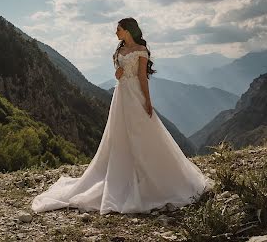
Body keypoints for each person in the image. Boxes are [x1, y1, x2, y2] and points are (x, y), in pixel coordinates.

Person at [31, 17, 213, 215]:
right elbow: (119, 73)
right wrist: (118, 74)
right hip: (120, 95)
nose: (115, 32)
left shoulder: (140, 51)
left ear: (127, 30)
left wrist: (148, 101)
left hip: (135, 94)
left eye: (118, 29)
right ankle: (124, 173)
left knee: (142, 132)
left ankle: (151, 176)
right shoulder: (120, 50)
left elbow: (143, 77)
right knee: (119, 134)